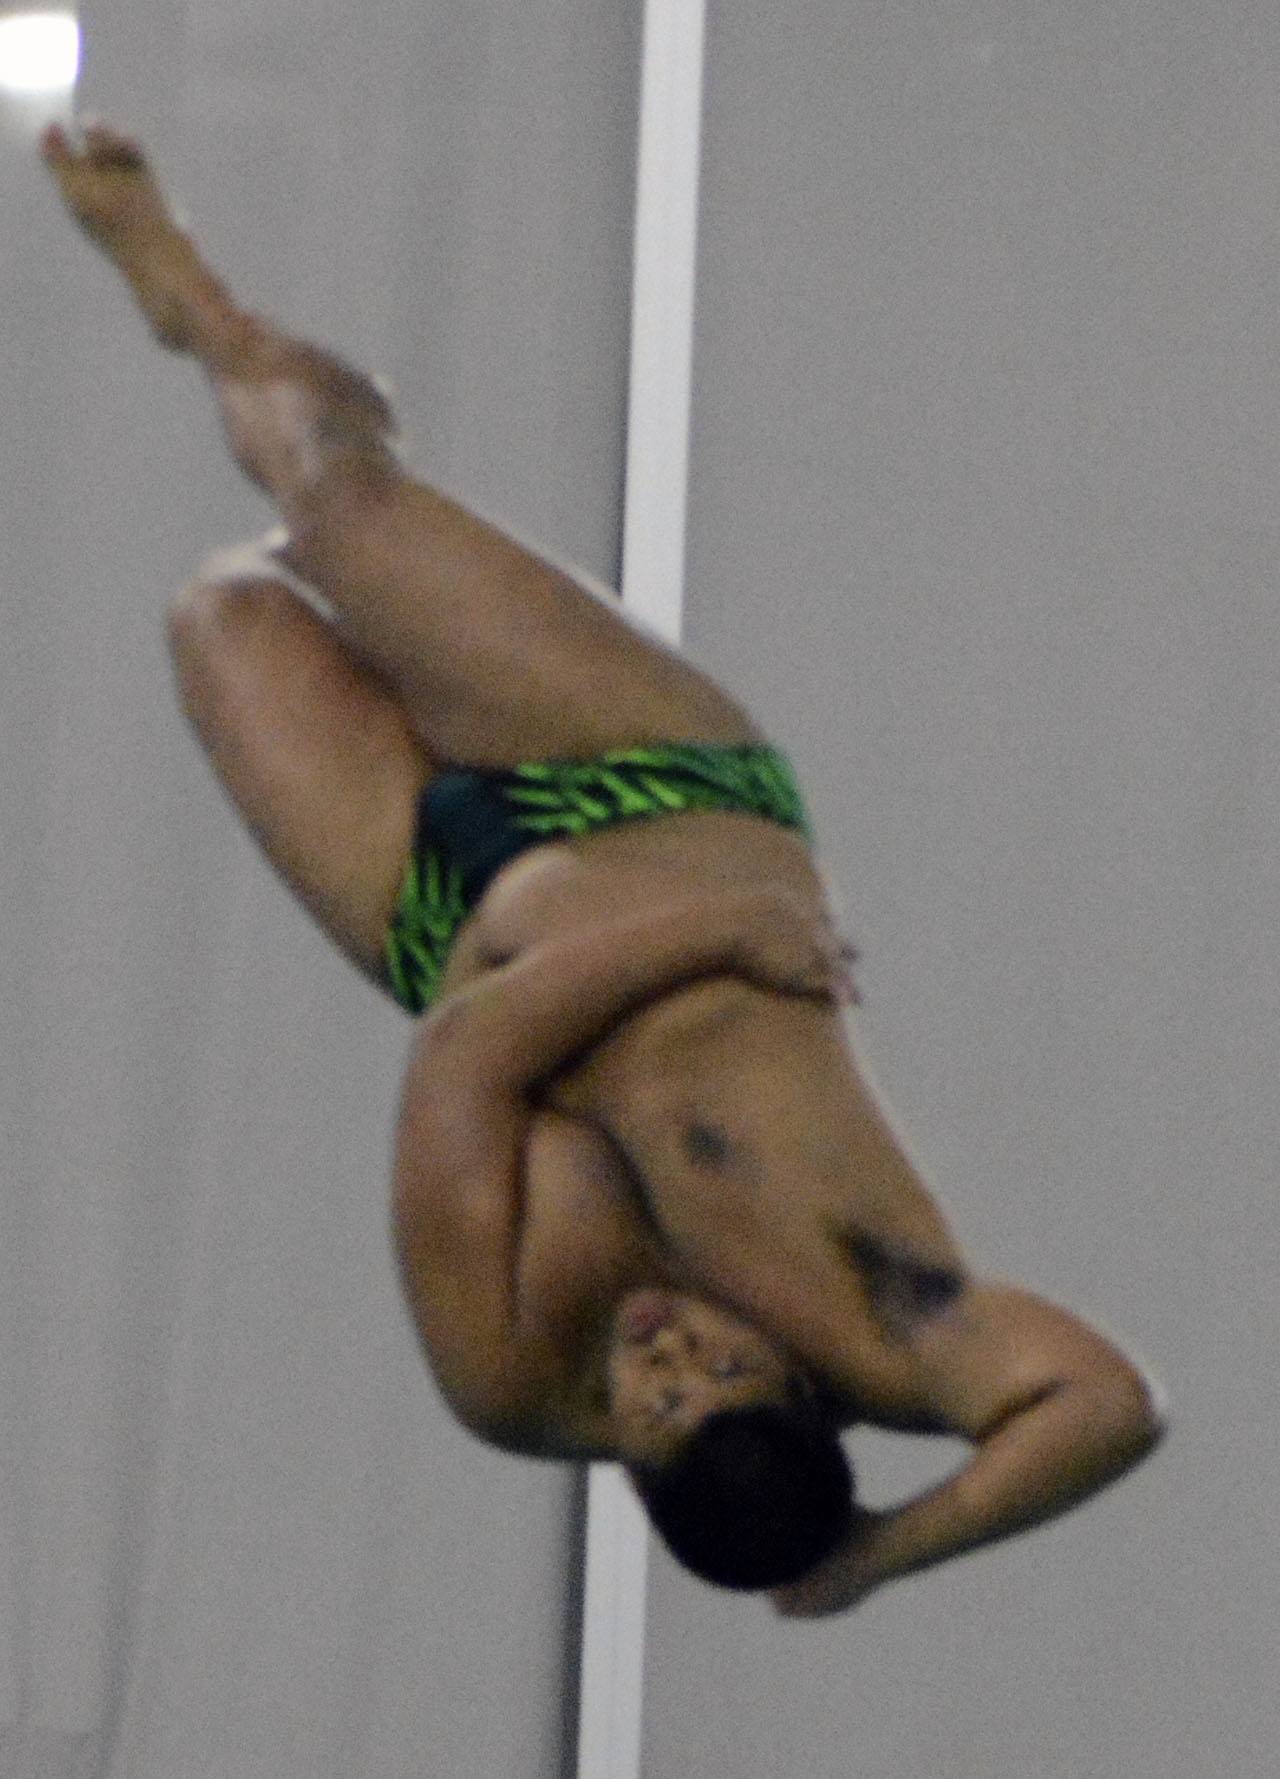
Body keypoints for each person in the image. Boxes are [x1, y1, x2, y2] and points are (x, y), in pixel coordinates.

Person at [42, 121, 1166, 1613]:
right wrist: (875, 1559)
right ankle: (201, 309)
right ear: (805, 1384)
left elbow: (464, 1060)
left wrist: (710, 942)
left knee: (223, 618)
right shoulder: (886, 1322)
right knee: (341, 505)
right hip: (650, 783)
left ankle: (335, 481)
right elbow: (1109, 1409)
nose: (668, 1352)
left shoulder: (510, 1378)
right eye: (721, 1369)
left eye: (656, 1405)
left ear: (625, 1462)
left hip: (450, 920)